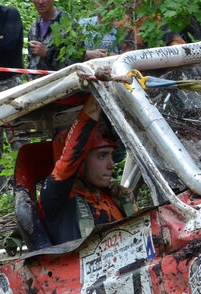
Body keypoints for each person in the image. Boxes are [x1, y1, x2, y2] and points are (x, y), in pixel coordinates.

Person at [39, 96, 135, 243]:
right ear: (81, 161)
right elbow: (71, 158)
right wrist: (96, 97)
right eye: (102, 156)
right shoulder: (56, 199)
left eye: (111, 155)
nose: (112, 165)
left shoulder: (114, 196)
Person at [26, 0, 82, 71]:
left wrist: (47, 53)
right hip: (38, 83)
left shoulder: (67, 23)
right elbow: (31, 59)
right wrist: (30, 76)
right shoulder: (34, 26)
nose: (40, 2)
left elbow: (76, 61)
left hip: (61, 83)